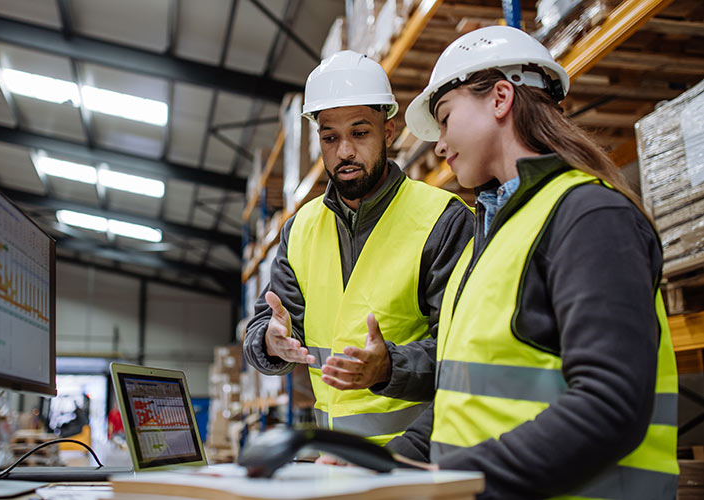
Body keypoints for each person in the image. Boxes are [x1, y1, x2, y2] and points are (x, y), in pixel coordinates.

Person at [390, 25, 678, 499]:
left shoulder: (590, 217)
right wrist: (384, 465)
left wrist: (456, 482)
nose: (439, 145)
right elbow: (461, 402)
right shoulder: (490, 239)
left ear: (500, 97)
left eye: (445, 118)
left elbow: (609, 406)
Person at [243, 50, 474, 446]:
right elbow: (264, 326)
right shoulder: (299, 230)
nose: (344, 151)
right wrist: (269, 340)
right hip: (334, 461)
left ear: (388, 132)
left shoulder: (443, 220)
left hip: (421, 461)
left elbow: (466, 352)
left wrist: (390, 367)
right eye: (330, 137)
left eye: (360, 132)